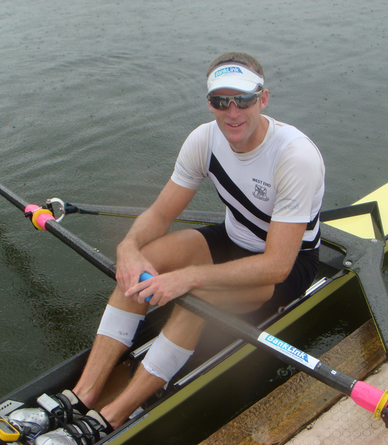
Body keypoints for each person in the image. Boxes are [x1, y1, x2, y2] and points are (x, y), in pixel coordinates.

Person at [36, 52, 325, 444]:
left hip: (287, 267)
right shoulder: (203, 140)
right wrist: (129, 245)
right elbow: (158, 214)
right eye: (221, 101)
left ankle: (115, 415)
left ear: (264, 98)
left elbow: (275, 265)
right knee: (143, 262)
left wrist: (185, 280)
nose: (232, 111)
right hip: (233, 238)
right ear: (210, 104)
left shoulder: (296, 157)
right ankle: (82, 393)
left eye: (243, 99)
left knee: (199, 294)